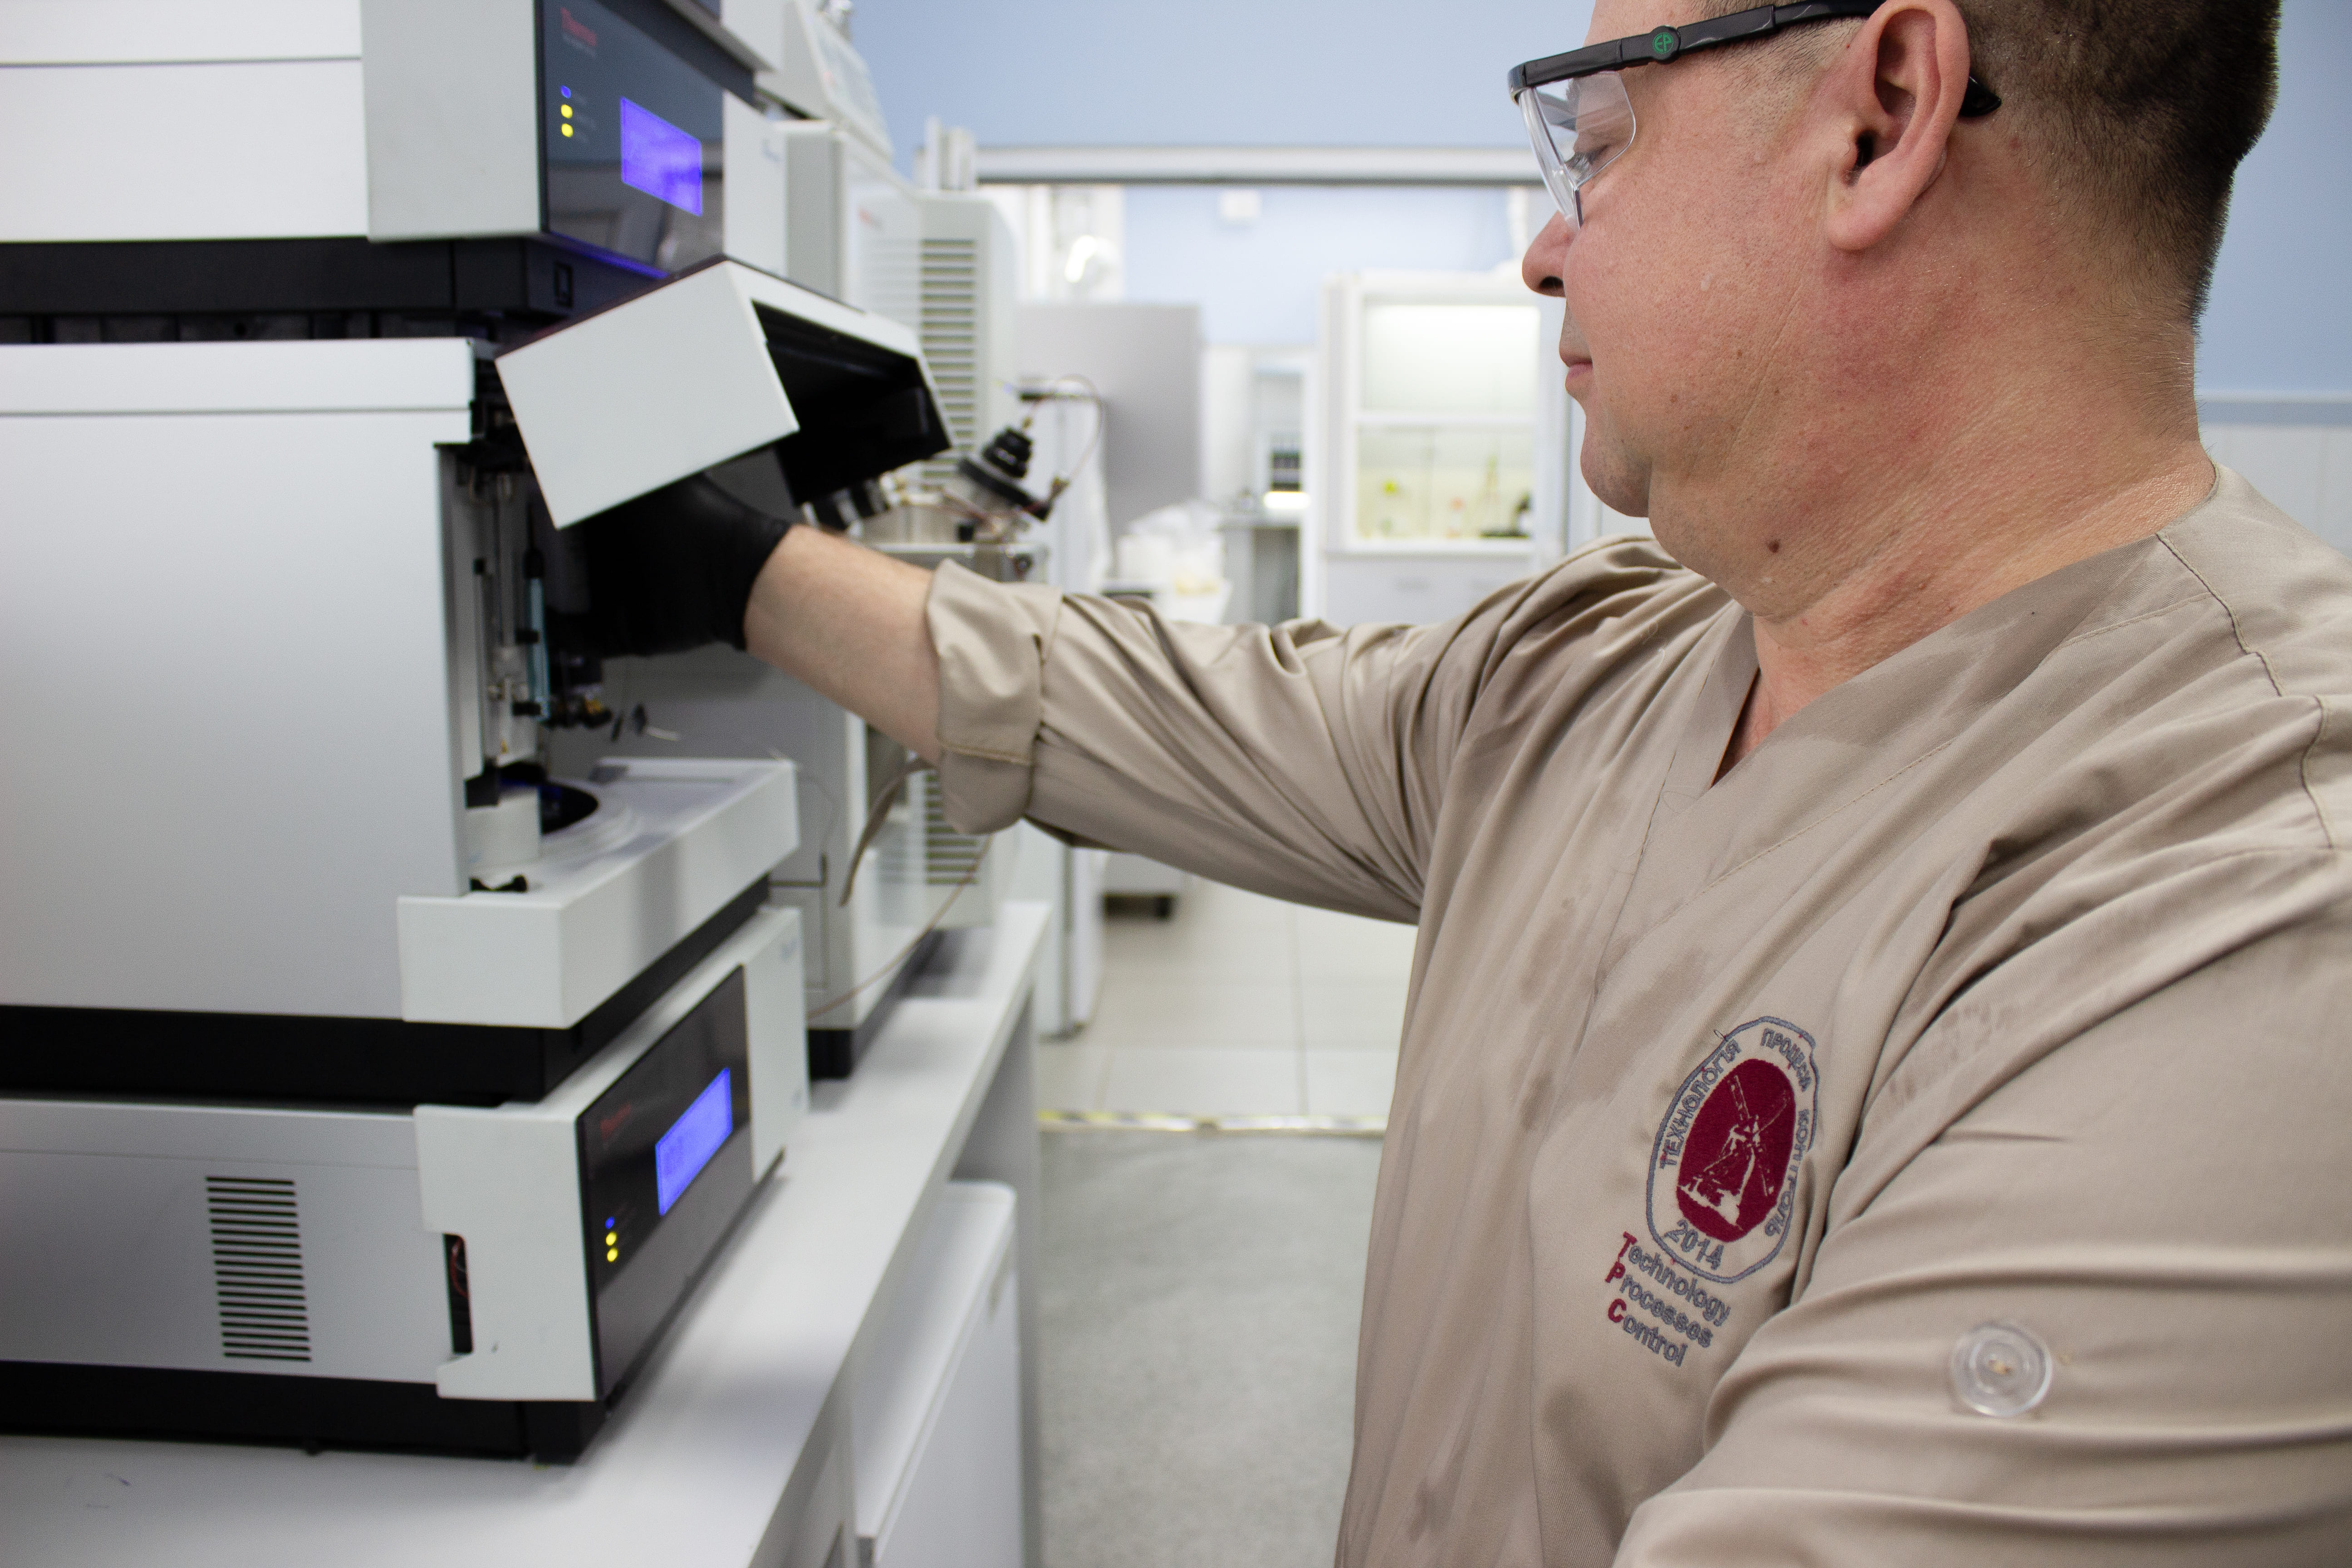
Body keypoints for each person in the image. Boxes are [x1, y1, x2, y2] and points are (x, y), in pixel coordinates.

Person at [583, 0, 2352, 1558]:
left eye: (1596, 138)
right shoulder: (1623, 661)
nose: (1543, 253)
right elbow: (1168, 705)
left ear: (1881, 116)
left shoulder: (2248, 903)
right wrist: (744, 567)